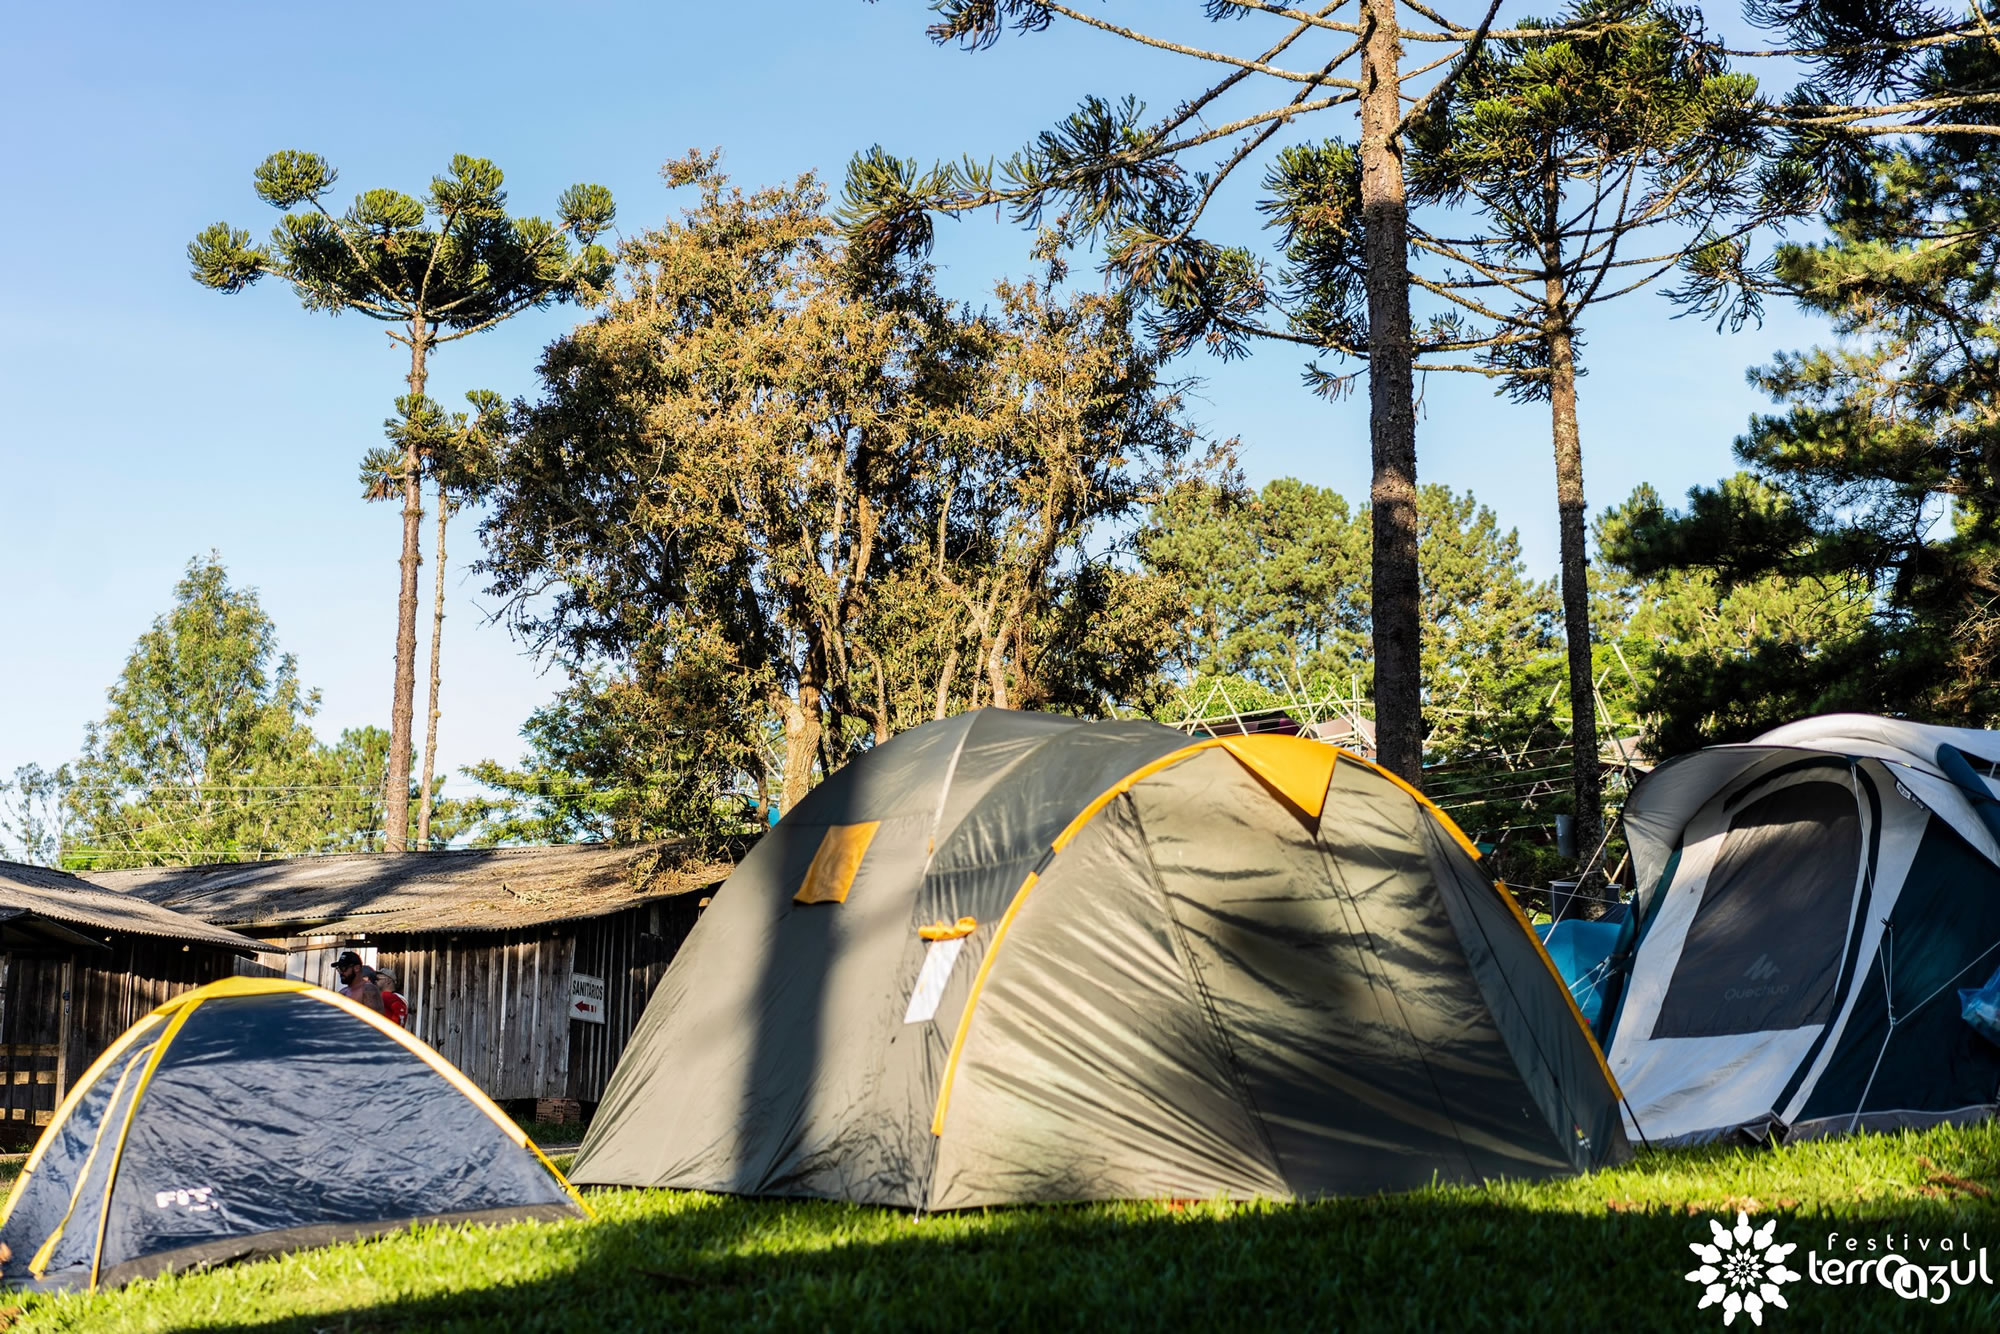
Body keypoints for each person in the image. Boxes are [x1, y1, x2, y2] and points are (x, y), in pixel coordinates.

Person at [332, 950, 386, 1015]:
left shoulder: (368, 990)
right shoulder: (343, 992)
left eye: (343, 968)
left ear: (356, 968)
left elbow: (377, 1019)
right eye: (339, 969)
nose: (341, 972)